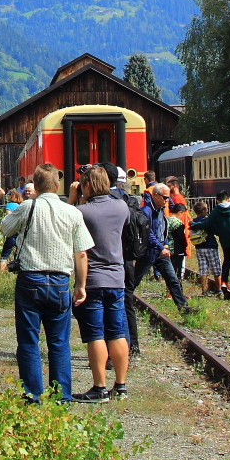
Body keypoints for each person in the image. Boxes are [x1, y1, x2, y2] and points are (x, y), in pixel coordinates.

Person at [1, 163, 93, 405]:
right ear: (56, 185)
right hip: (61, 281)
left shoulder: (27, 207)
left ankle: (33, 394)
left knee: (29, 340)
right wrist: (80, 285)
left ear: (36, 184)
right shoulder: (73, 212)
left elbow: (5, 229)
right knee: (59, 342)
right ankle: (62, 395)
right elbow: (81, 254)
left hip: (30, 279)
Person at [71, 165, 131, 401]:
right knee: (116, 332)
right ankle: (121, 385)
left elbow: (67, 225)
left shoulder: (82, 212)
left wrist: (74, 199)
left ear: (87, 185)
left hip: (93, 279)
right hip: (117, 278)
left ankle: (99, 387)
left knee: (95, 334)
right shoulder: (121, 207)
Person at [143, 183, 190, 312]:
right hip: (148, 252)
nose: (167, 200)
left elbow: (163, 229)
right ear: (156, 196)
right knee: (134, 280)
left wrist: (166, 243)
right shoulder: (146, 211)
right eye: (165, 197)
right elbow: (148, 233)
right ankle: (125, 302)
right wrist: (161, 246)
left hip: (160, 251)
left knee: (172, 279)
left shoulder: (161, 210)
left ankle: (184, 307)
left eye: (168, 198)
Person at [189, 200, 221, 295]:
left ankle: (204, 290)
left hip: (199, 248)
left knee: (203, 270)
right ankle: (219, 290)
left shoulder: (193, 222)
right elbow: (216, 231)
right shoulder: (207, 220)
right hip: (210, 246)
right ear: (203, 211)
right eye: (206, 209)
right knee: (216, 269)